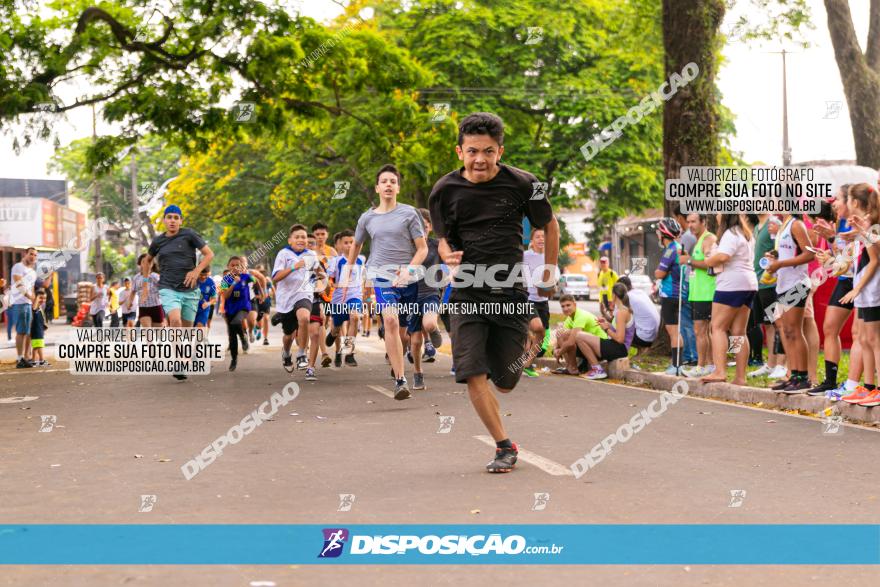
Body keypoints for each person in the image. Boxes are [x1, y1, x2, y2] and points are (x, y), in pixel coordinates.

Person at [429, 112, 559, 473]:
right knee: (473, 371)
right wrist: (446, 255)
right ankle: (504, 446)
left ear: (500, 150)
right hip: (466, 292)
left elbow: (550, 225)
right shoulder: (444, 190)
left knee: (505, 382)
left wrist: (548, 273)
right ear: (459, 151)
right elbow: (442, 240)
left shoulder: (524, 183)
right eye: (472, 151)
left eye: (488, 151)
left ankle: (525, 350)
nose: (480, 159)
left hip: (509, 292)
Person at [344, 163, 428, 399]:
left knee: (402, 333)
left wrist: (408, 271)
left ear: (398, 187)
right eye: (384, 181)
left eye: (393, 181)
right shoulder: (367, 218)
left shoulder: (410, 213)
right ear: (377, 188)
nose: (389, 185)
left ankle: (397, 362)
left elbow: (422, 249)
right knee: (390, 321)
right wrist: (349, 270)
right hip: (380, 275)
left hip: (407, 278)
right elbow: (357, 245)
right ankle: (401, 381)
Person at [145, 205, 215, 380]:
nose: (173, 220)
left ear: (181, 221)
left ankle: (184, 359)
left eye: (176, 217)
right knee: (174, 321)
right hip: (168, 288)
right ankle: (178, 361)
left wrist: (196, 271)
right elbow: (147, 260)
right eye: (169, 217)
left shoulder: (189, 234)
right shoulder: (158, 241)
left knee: (187, 331)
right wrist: (146, 283)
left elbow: (209, 254)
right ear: (164, 220)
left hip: (190, 290)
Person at [809, 187, 862, 396]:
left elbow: (850, 258)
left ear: (852, 201)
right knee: (829, 328)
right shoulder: (838, 222)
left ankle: (859, 384)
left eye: (839, 199)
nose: (834, 203)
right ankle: (830, 381)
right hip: (845, 279)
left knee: (862, 334)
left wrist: (832, 246)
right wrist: (829, 252)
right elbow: (842, 258)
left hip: (860, 281)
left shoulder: (859, 223)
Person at [697, 214, 758, 385]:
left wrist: (708, 260)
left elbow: (723, 257)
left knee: (717, 328)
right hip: (749, 284)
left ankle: (720, 371)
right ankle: (740, 377)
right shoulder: (745, 234)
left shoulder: (730, 234)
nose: (716, 215)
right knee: (739, 332)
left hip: (731, 285)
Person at [765, 212, 815, 392]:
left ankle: (803, 377)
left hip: (797, 284)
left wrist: (781, 264)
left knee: (795, 330)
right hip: (782, 284)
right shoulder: (783, 225)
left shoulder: (796, 224)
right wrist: (775, 258)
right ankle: (793, 375)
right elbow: (789, 251)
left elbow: (810, 254)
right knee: (786, 330)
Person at [839, 183, 880, 406]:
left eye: (846, 199)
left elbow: (875, 260)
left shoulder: (870, 225)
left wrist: (858, 288)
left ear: (854, 202)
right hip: (865, 290)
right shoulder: (864, 225)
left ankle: (878, 389)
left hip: (872, 289)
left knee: (874, 340)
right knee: (864, 339)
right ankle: (869, 387)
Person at [271, 224, 319, 376]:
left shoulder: (311, 254)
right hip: (286, 299)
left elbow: (316, 272)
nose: (301, 239)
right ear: (290, 240)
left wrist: (321, 276)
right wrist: (294, 267)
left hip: (304, 294)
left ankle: (302, 353)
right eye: (297, 237)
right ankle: (286, 353)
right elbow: (275, 278)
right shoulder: (283, 254)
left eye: (303, 237)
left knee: (304, 318)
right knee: (288, 335)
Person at [406, 208, 445, 390]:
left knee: (429, 324)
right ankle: (418, 373)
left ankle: (434, 332)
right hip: (411, 296)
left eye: (426, 224)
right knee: (414, 342)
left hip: (431, 292)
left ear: (430, 227)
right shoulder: (407, 247)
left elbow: (450, 262)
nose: (422, 228)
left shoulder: (437, 245)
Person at [748, 214, 786, 379]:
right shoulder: (757, 226)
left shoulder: (774, 223)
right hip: (759, 281)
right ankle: (770, 364)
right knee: (768, 324)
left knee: (778, 323)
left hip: (772, 282)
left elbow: (780, 250)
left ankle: (781, 364)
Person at [679, 214, 716, 378]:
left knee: (700, 330)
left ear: (703, 222)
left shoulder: (708, 239)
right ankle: (709, 365)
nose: (690, 225)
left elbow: (710, 264)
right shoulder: (699, 240)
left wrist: (688, 261)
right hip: (698, 292)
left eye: (694, 221)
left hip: (707, 292)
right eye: (688, 222)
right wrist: (690, 258)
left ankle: (701, 366)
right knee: (703, 331)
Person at [574, 283, 636, 379]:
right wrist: (607, 324)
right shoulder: (623, 310)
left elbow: (620, 339)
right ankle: (594, 368)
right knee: (580, 340)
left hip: (619, 348)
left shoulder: (622, 312)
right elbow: (619, 329)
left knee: (579, 336)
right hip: (616, 346)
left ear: (614, 295)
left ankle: (598, 370)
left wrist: (606, 329)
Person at [219, 256, 266, 371]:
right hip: (230, 309)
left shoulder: (247, 277)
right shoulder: (225, 280)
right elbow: (225, 295)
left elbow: (257, 282)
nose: (235, 267)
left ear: (241, 266)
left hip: (244, 307)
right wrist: (234, 284)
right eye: (232, 265)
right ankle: (234, 360)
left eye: (238, 265)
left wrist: (262, 294)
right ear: (228, 267)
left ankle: (244, 339)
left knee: (237, 322)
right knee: (232, 336)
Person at [326, 229, 365, 368]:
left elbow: (363, 278)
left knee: (354, 317)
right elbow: (329, 279)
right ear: (340, 245)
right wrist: (333, 284)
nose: (349, 245)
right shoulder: (336, 261)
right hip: (339, 299)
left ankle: (349, 353)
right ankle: (332, 334)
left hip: (355, 296)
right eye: (346, 243)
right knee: (337, 328)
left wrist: (365, 291)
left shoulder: (362, 259)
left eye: (352, 242)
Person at [654, 217, 684, 375]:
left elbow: (660, 273)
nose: (657, 234)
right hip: (679, 294)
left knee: (673, 331)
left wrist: (656, 273)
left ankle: (677, 365)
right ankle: (679, 364)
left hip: (670, 295)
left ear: (663, 234)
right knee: (678, 330)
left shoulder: (671, 250)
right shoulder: (679, 247)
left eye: (658, 232)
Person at [553, 294, 607, 376]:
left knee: (566, 335)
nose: (565, 308)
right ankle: (571, 367)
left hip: (600, 347)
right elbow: (561, 337)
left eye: (568, 305)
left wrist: (559, 352)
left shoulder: (581, 315)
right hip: (586, 346)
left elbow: (571, 342)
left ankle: (573, 368)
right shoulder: (569, 318)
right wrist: (555, 349)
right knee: (560, 331)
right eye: (563, 306)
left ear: (575, 304)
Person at [523, 228, 550, 378]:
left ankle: (527, 363)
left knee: (540, 332)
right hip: (526, 298)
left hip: (543, 301)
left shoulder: (549, 256)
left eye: (543, 236)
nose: (541, 239)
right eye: (537, 237)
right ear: (532, 241)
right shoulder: (524, 255)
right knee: (536, 327)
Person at [616, 275, 660, 357]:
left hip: (645, 338)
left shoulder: (627, 297)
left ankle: (620, 355)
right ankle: (641, 350)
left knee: (617, 330)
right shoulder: (640, 292)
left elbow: (617, 318)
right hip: (655, 335)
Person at [10, 247, 37, 368]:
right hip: (19, 303)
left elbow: (32, 288)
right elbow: (19, 284)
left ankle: (26, 357)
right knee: (21, 332)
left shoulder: (33, 272)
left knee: (28, 332)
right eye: (31, 254)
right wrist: (29, 296)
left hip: (29, 304)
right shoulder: (18, 267)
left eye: (35, 255)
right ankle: (19, 359)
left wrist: (34, 301)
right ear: (25, 254)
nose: (33, 257)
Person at [133, 254, 164, 328]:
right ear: (140, 264)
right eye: (143, 262)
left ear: (153, 264)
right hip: (143, 307)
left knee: (159, 334)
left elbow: (163, 288)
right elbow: (133, 291)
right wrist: (129, 302)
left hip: (156, 306)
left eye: (149, 262)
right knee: (148, 331)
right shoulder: (136, 277)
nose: (146, 264)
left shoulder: (155, 276)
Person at [30, 289, 49, 367]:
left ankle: (36, 361)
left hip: (39, 330)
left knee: (37, 346)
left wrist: (44, 326)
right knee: (38, 346)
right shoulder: (35, 307)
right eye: (41, 298)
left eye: (44, 298)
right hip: (36, 330)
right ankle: (40, 360)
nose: (43, 300)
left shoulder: (40, 307)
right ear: (36, 298)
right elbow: (34, 308)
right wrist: (36, 298)